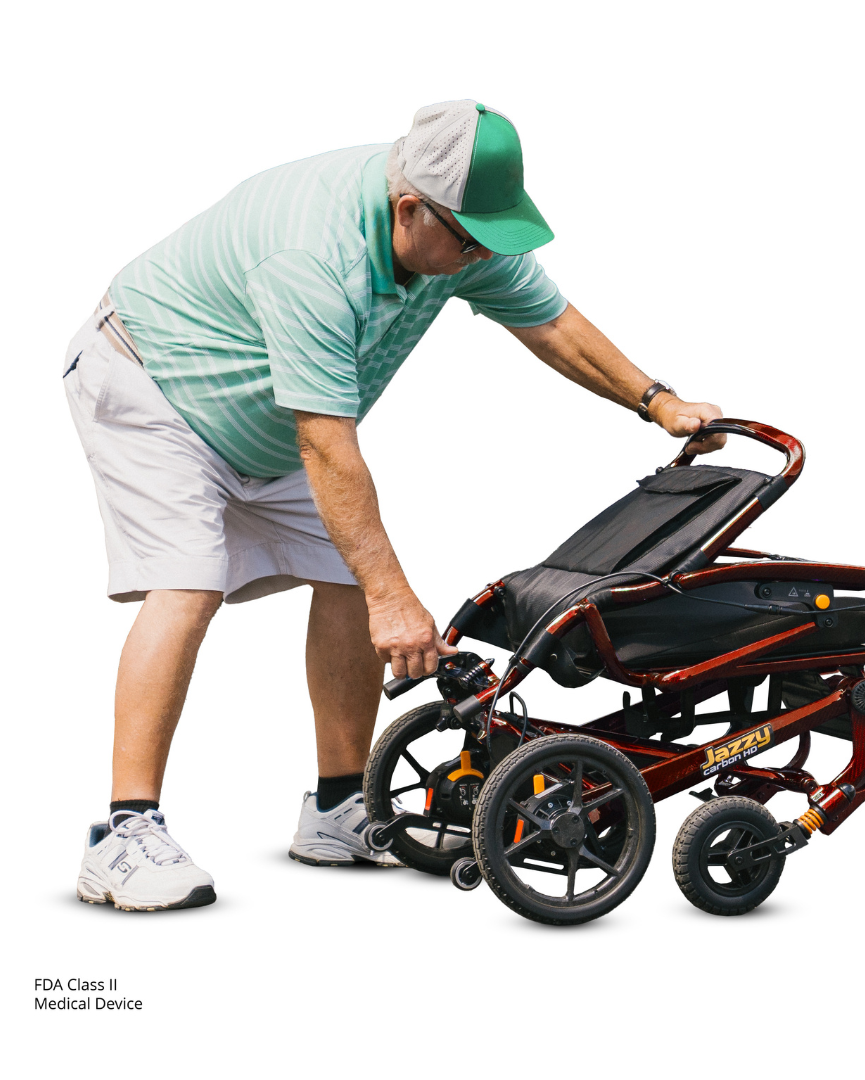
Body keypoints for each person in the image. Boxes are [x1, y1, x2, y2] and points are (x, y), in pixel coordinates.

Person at [67, 99, 726, 911]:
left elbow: (552, 323)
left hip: (272, 421)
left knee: (346, 574)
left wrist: (655, 400)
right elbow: (327, 445)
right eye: (472, 241)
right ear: (410, 209)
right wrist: (394, 596)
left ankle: (342, 808)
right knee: (190, 582)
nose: (485, 256)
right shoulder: (311, 254)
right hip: (155, 384)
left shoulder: (456, 223)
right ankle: (123, 835)